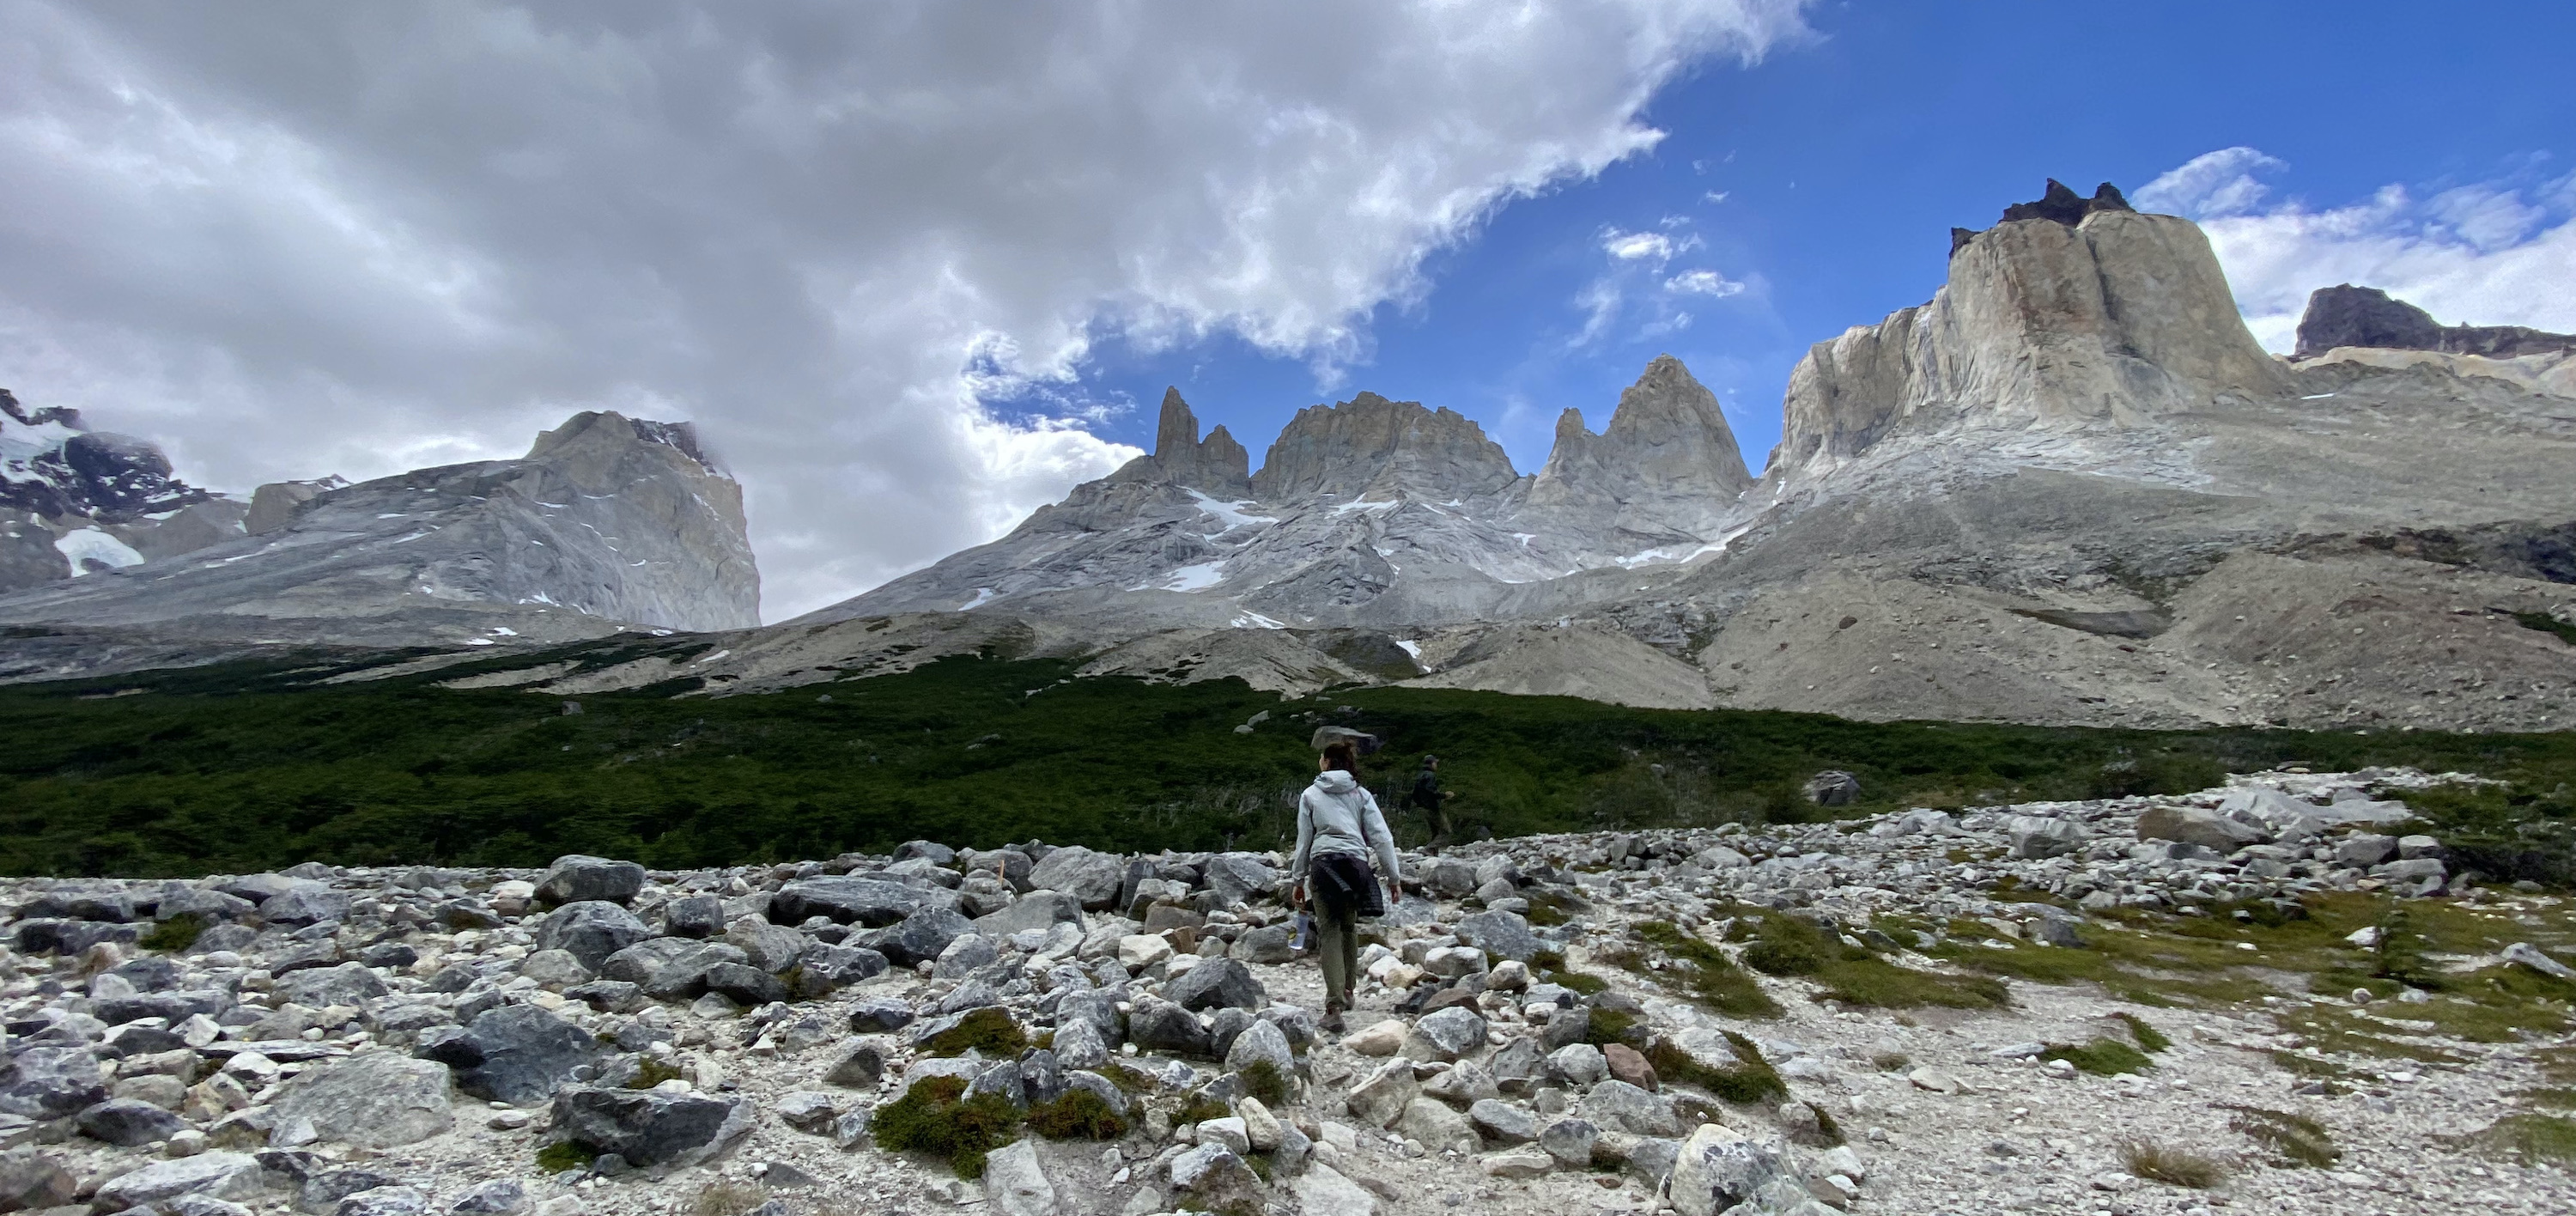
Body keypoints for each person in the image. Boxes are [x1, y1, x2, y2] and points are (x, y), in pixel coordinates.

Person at [1288, 739, 1401, 1031]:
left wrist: (1297, 879)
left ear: (1326, 762)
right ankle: (1349, 991)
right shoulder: (1361, 794)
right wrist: (1394, 878)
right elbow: (1381, 837)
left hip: (1324, 864)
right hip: (1355, 864)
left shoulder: (1311, 794)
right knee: (1349, 926)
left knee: (1329, 931)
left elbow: (1304, 840)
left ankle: (1333, 1005)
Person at [1409, 754, 1451, 850]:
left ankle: (1432, 854)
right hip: (1432, 808)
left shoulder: (1420, 775)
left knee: (1435, 832)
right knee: (1446, 831)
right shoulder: (1430, 775)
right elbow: (1431, 791)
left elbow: (1415, 794)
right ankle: (1429, 849)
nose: (1436, 765)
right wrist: (1444, 795)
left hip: (1424, 808)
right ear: (1432, 764)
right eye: (1435, 763)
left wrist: (1419, 804)